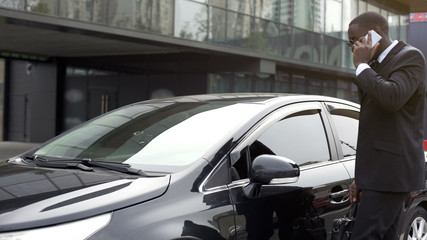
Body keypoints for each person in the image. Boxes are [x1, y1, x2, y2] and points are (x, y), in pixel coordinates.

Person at [347, 12, 426, 240]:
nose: (354, 47)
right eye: (351, 43)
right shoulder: (374, 66)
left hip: (392, 173)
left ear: (376, 33)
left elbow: (392, 98)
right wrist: (362, 177)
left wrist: (361, 66)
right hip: (379, 174)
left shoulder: (410, 57)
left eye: (358, 40)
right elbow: (375, 126)